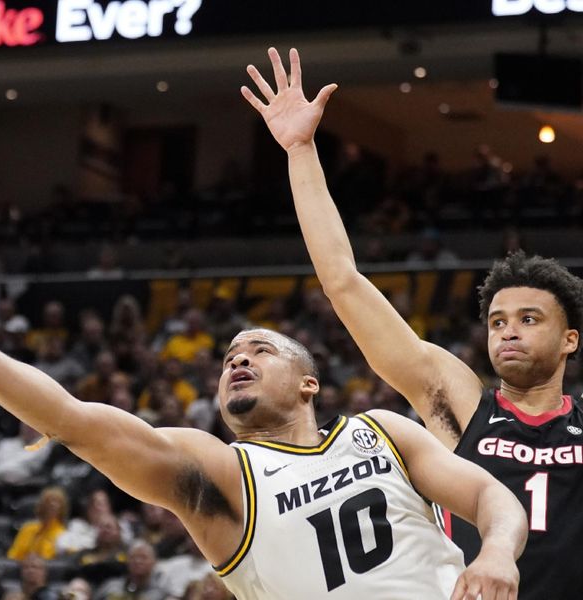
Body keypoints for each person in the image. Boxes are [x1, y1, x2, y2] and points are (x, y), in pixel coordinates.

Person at [0, 246, 525, 596]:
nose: (237, 359)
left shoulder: (383, 430)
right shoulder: (221, 471)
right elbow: (73, 421)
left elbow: (491, 494)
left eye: (258, 350)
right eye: (228, 358)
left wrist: (496, 551)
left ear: (310, 382)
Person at [241, 46, 583, 600]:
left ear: (570, 339)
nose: (508, 331)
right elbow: (343, 282)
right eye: (497, 321)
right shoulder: (461, 403)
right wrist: (300, 150)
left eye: (528, 318)